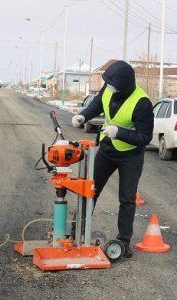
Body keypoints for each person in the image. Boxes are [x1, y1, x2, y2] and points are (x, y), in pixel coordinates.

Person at [71, 60, 153, 258]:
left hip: (131, 156)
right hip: (107, 150)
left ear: (124, 84)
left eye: (112, 84)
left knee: (127, 199)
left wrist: (120, 132)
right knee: (90, 190)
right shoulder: (109, 89)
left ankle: (124, 242)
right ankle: (75, 234)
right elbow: (98, 104)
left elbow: (145, 137)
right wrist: (83, 116)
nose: (109, 86)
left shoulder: (142, 102)